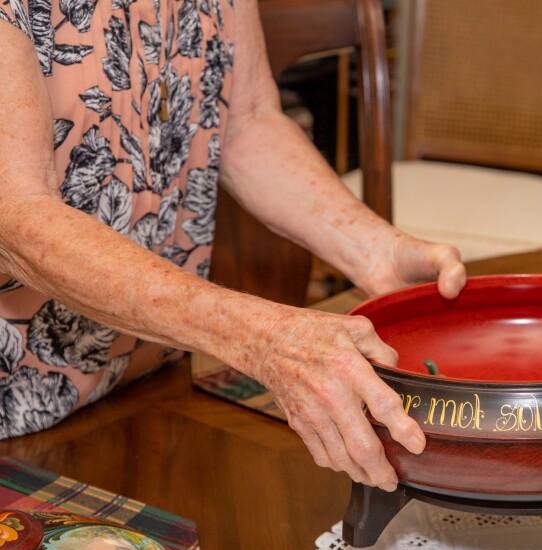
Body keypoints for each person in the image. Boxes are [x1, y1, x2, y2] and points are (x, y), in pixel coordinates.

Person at [0, 0, 466, 493]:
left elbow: (245, 120)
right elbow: (17, 220)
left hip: (150, 377)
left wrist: (373, 250)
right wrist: (262, 338)